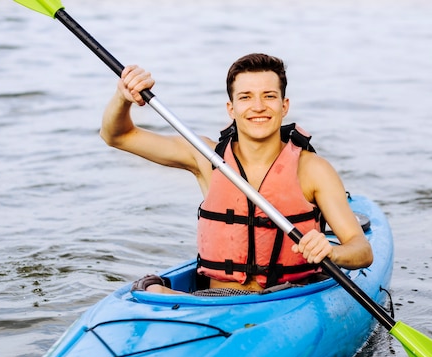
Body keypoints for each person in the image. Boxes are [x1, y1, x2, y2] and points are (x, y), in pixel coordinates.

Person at [100, 53, 373, 295]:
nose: (258, 107)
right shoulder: (206, 157)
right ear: (231, 108)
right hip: (217, 301)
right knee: (151, 289)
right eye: (245, 97)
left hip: (288, 297)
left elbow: (362, 250)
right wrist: (122, 98)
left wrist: (331, 250)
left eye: (269, 96)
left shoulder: (312, 168)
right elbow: (118, 136)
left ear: (284, 105)